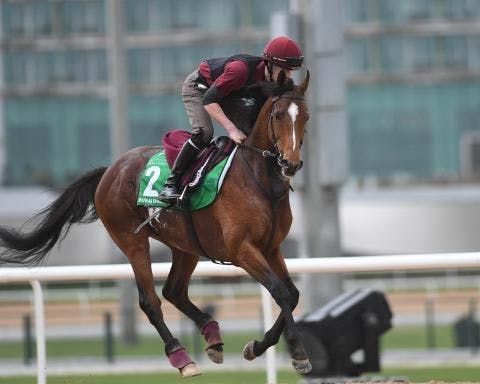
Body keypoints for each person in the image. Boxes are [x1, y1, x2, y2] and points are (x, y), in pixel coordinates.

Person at [158, 36, 304, 203]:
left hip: (228, 93)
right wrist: (232, 130)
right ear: (269, 64)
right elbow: (208, 100)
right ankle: (171, 183)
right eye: (285, 70)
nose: (288, 75)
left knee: (255, 132)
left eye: (291, 71)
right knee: (204, 133)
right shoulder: (240, 70)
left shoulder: (270, 78)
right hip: (200, 90)